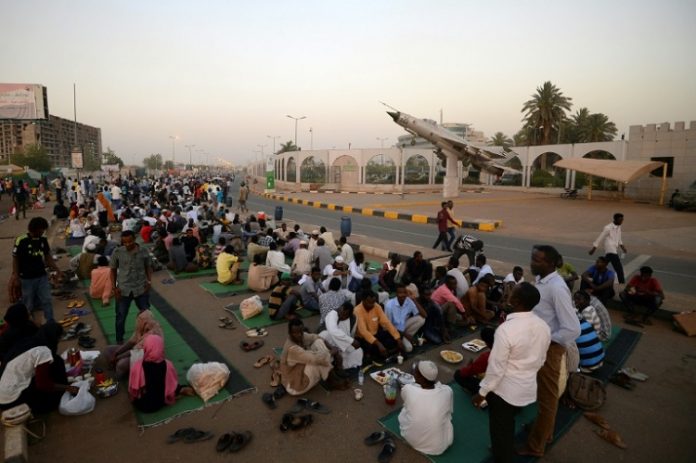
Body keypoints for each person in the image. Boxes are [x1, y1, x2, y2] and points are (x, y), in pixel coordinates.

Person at [473, 282, 551, 463]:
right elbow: (541, 360)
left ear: (516, 301)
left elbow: (496, 368)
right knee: (508, 425)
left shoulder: (506, 330)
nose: (508, 293)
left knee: (501, 433)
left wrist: (482, 393)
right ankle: (504, 446)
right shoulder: (543, 326)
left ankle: (503, 453)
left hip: (504, 392)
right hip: (527, 388)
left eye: (512, 292)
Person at [518, 245, 580, 458]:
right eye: (532, 258)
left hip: (549, 349)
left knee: (547, 398)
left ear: (551, 264)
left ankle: (536, 446)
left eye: (538, 260)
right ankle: (546, 433)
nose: (532, 263)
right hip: (539, 346)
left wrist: (547, 339)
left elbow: (572, 328)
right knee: (543, 394)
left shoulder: (557, 288)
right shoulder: (540, 281)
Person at [0, 322, 76, 414]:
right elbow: (43, 385)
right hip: (11, 401)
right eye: (59, 338)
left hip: (3, 394)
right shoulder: (43, 351)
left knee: (54, 362)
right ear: (54, 337)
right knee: (52, 398)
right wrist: (67, 387)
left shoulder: (29, 341)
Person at [398, 360, 454, 456]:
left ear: (420, 377)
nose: (413, 373)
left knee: (405, 411)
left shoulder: (408, 389)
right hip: (439, 447)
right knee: (445, 416)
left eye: (415, 372)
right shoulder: (448, 391)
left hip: (411, 439)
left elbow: (406, 398)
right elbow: (449, 412)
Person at [11, 217, 61, 322]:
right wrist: (16, 276)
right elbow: (15, 259)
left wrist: (57, 270)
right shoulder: (21, 240)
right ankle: (29, 325)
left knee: (47, 300)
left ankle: (50, 322)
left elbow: (48, 257)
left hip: (41, 276)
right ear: (35, 228)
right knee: (28, 304)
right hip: (26, 278)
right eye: (41, 229)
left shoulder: (43, 240)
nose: (43, 231)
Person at [129, 334, 193, 413]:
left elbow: (134, 389)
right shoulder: (168, 364)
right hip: (160, 402)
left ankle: (180, 390)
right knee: (169, 385)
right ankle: (180, 390)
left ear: (146, 347)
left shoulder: (138, 366)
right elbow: (171, 384)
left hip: (144, 405)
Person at [280, 319, 346, 395]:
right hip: (294, 386)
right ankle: (332, 381)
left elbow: (317, 337)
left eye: (301, 332)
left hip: (299, 369)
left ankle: (330, 372)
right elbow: (315, 359)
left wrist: (331, 348)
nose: (299, 335)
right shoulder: (292, 349)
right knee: (317, 361)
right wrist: (332, 352)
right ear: (290, 333)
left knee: (318, 342)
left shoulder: (301, 336)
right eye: (296, 333)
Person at [110, 230, 152, 345]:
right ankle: (119, 340)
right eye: (125, 242)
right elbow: (112, 270)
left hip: (141, 288)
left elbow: (148, 266)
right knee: (120, 317)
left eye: (130, 241)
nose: (127, 244)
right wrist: (114, 288)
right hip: (123, 290)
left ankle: (148, 338)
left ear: (134, 239)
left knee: (146, 316)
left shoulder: (143, 251)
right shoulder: (117, 252)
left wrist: (149, 281)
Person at [106, 310, 163, 378]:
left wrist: (117, 357)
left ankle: (120, 376)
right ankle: (120, 367)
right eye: (138, 319)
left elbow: (135, 351)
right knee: (108, 350)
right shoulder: (141, 326)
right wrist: (117, 352)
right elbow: (131, 342)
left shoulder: (153, 332)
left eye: (140, 320)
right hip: (136, 351)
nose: (138, 321)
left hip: (145, 356)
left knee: (121, 364)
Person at [354, 291, 404, 361]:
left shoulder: (377, 306)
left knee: (397, 337)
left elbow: (387, 323)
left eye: (373, 302)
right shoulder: (357, 310)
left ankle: (386, 353)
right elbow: (363, 332)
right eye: (369, 302)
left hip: (376, 334)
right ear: (363, 300)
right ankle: (386, 353)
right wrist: (378, 344)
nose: (371, 305)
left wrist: (397, 338)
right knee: (372, 348)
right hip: (364, 339)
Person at [319, 302, 363, 370]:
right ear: (341, 308)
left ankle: (347, 368)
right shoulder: (332, 314)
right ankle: (335, 366)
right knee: (324, 334)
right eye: (343, 314)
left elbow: (350, 335)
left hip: (343, 345)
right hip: (329, 344)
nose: (343, 317)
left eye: (346, 316)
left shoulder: (351, 318)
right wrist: (351, 341)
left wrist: (351, 341)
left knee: (358, 350)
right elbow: (333, 331)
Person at [384, 284, 426, 352]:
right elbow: (389, 326)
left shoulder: (408, 301)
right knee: (409, 349)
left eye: (404, 292)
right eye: (400, 293)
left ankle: (405, 338)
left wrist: (413, 299)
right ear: (396, 294)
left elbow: (424, 315)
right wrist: (406, 335)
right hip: (393, 330)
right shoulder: (389, 305)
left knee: (421, 319)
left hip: (403, 328)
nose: (402, 295)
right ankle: (405, 338)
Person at [454, 327, 495, 394]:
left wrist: (469, 366)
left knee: (458, 374)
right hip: (514, 383)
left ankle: (479, 393)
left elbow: (464, 372)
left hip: (498, 391)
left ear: (486, 343)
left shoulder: (487, 357)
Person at [589, 212, 627, 284]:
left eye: (622, 220)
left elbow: (619, 238)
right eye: (620, 220)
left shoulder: (619, 226)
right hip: (610, 249)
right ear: (615, 219)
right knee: (618, 268)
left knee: (603, 264)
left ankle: (592, 274)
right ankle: (622, 283)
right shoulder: (608, 228)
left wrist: (622, 247)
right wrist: (593, 248)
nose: (622, 221)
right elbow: (600, 237)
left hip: (614, 248)